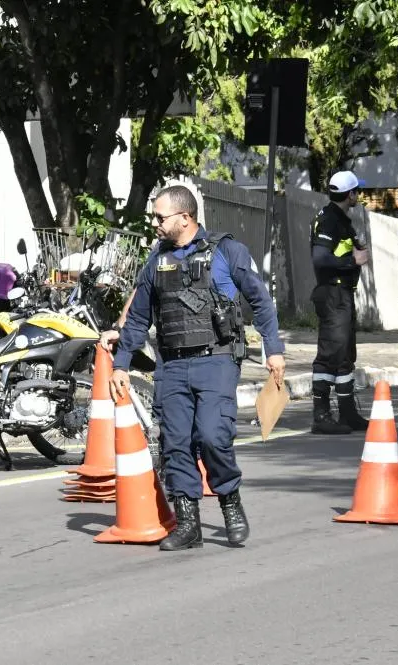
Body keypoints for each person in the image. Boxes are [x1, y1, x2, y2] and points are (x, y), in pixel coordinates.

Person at [100, 185, 286, 552]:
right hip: (172, 364)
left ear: (185, 218)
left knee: (214, 436)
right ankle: (188, 523)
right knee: (175, 444)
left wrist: (274, 350)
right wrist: (121, 365)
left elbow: (260, 302)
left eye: (160, 217)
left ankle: (230, 502)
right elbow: (138, 320)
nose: (154, 223)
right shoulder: (157, 261)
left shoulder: (226, 251)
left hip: (216, 359)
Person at [309, 170, 371, 435]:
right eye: (357, 191)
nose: (359, 195)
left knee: (345, 356)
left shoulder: (341, 220)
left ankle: (347, 413)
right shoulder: (329, 220)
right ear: (350, 194)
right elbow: (320, 258)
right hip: (332, 295)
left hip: (343, 294)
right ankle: (321, 415)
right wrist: (352, 261)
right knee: (329, 355)